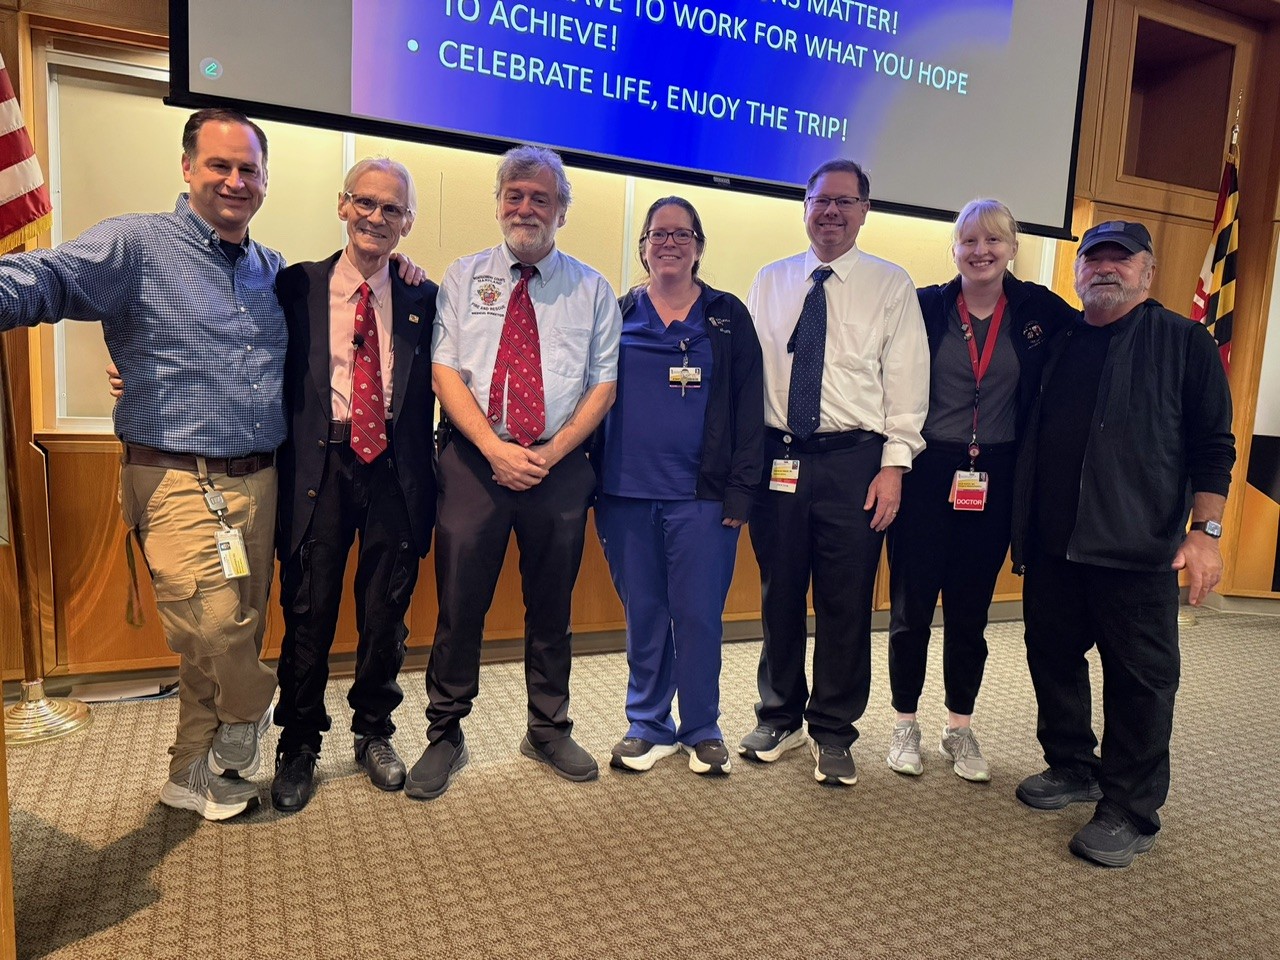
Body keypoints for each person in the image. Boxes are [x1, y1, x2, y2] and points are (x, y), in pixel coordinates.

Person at [0, 108, 281, 821]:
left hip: (257, 482)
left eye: (249, 169)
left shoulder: (269, 269)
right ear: (188, 169)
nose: (234, 180)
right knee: (216, 626)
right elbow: (47, 281)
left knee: (212, 639)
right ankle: (251, 714)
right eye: (219, 165)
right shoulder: (137, 243)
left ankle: (190, 772)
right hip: (175, 478)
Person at [1011, 220, 1234, 867]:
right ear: (1077, 270)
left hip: (1138, 552)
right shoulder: (1061, 340)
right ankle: (1073, 766)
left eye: (1121, 259)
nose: (1106, 269)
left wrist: (1206, 532)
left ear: (1148, 269)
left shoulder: (1185, 341)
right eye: (1094, 259)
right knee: (1052, 659)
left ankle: (1131, 808)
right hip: (1055, 546)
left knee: (1140, 683)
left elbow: (1213, 446)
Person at [406, 145, 621, 800]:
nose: (526, 208)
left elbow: (603, 384)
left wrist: (550, 456)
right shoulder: (465, 277)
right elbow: (446, 373)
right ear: (500, 203)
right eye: (515, 196)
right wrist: (496, 451)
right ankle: (445, 732)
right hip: (475, 458)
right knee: (460, 604)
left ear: (562, 209)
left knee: (551, 605)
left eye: (541, 198)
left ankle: (548, 727)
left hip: (558, 462)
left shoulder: (592, 289)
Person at [740, 158, 929, 786]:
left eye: (845, 202)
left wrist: (894, 468)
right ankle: (780, 715)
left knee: (846, 601)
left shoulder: (890, 285)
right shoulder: (768, 281)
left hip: (855, 462)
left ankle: (833, 729)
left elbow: (907, 388)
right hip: (781, 459)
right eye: (821, 200)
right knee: (780, 592)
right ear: (804, 205)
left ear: (864, 211)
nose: (831, 212)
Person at [885, 199, 1077, 782]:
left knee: (970, 612)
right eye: (969, 240)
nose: (981, 251)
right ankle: (904, 724)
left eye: (994, 240)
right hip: (926, 469)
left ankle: (959, 728)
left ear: (1013, 247)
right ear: (955, 249)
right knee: (911, 607)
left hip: (995, 476)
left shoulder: (1040, 309)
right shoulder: (924, 307)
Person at [268, 158, 438, 813]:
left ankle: (374, 732)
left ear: (407, 222)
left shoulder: (425, 296)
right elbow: (239, 349)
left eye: (391, 209)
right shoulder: (295, 287)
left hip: (397, 470)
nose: (376, 217)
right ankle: (300, 744)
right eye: (365, 203)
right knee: (308, 613)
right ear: (343, 206)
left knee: (384, 615)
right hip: (320, 466)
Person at [594, 197, 763, 776]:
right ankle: (647, 723)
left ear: (699, 245)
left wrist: (742, 493)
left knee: (697, 614)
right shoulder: (615, 314)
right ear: (642, 246)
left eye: (681, 234)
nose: (669, 243)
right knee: (645, 610)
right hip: (624, 493)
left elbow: (748, 410)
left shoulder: (727, 316)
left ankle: (701, 726)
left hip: (704, 497)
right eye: (657, 234)